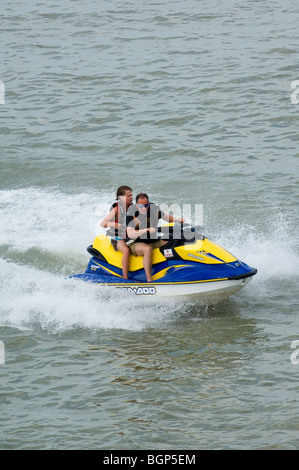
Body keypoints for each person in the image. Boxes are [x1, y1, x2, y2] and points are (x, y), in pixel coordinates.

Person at [126, 193, 184, 282]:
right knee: (147, 249)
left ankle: (177, 269)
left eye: (146, 205)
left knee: (174, 241)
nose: (144, 208)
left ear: (148, 203)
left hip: (154, 241)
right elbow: (130, 234)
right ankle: (149, 280)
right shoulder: (131, 213)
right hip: (136, 243)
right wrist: (146, 230)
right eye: (141, 206)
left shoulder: (154, 209)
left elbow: (165, 217)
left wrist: (178, 220)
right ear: (136, 204)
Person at [100, 185, 133, 279]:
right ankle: (125, 277)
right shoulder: (116, 209)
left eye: (131, 195)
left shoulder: (132, 208)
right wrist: (114, 225)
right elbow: (103, 223)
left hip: (129, 236)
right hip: (117, 238)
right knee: (126, 250)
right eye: (129, 196)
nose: (131, 197)